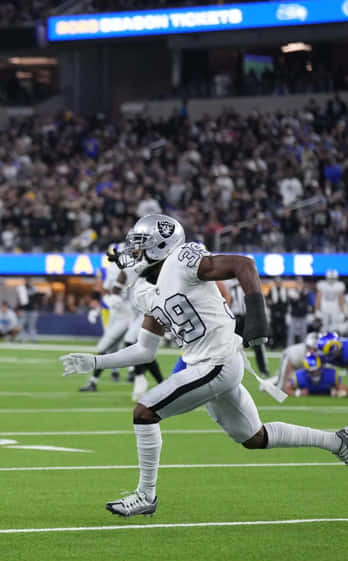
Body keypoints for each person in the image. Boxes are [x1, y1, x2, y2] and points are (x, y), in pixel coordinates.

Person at [60, 214, 348, 517]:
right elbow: (144, 350)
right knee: (254, 438)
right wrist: (94, 361)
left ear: (160, 245)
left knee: (144, 412)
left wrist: (256, 319)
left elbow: (244, 265)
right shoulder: (149, 290)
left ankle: (146, 495)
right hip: (207, 363)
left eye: (140, 244)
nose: (134, 252)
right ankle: (337, 441)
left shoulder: (182, 260)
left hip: (216, 362)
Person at [80, 245, 138, 392]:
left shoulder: (133, 268)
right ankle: (131, 373)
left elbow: (114, 292)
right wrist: (99, 307)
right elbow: (111, 292)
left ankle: (134, 374)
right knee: (117, 347)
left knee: (106, 347)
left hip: (127, 313)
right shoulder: (116, 269)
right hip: (118, 311)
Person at [227, 278, 269, 376]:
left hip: (248, 316)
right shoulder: (228, 285)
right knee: (231, 346)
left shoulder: (248, 285)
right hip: (235, 318)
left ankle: (263, 370)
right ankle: (232, 371)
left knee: (257, 343)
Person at [287, 281, 312, 345]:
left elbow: (305, 303)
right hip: (294, 315)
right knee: (291, 333)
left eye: (300, 284)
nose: (299, 285)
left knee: (303, 332)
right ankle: (290, 346)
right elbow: (291, 302)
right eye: (298, 284)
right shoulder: (292, 292)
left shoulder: (305, 292)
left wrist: (299, 295)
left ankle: (304, 346)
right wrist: (296, 298)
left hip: (302, 315)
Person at [267, 278, 289, 348]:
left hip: (282, 313)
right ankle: (274, 345)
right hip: (274, 312)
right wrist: (269, 302)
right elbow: (267, 299)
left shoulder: (284, 290)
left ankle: (283, 344)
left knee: (283, 330)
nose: (278, 283)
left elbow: (287, 302)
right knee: (274, 330)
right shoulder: (272, 290)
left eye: (279, 282)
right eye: (277, 282)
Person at [16, 278, 39, 342]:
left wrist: (37, 309)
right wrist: (19, 309)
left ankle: (33, 339)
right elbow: (19, 300)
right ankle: (21, 338)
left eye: (30, 281)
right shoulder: (22, 288)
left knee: (32, 326)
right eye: (27, 281)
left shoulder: (34, 289)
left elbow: (36, 300)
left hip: (32, 310)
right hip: (24, 310)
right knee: (21, 325)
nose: (29, 282)